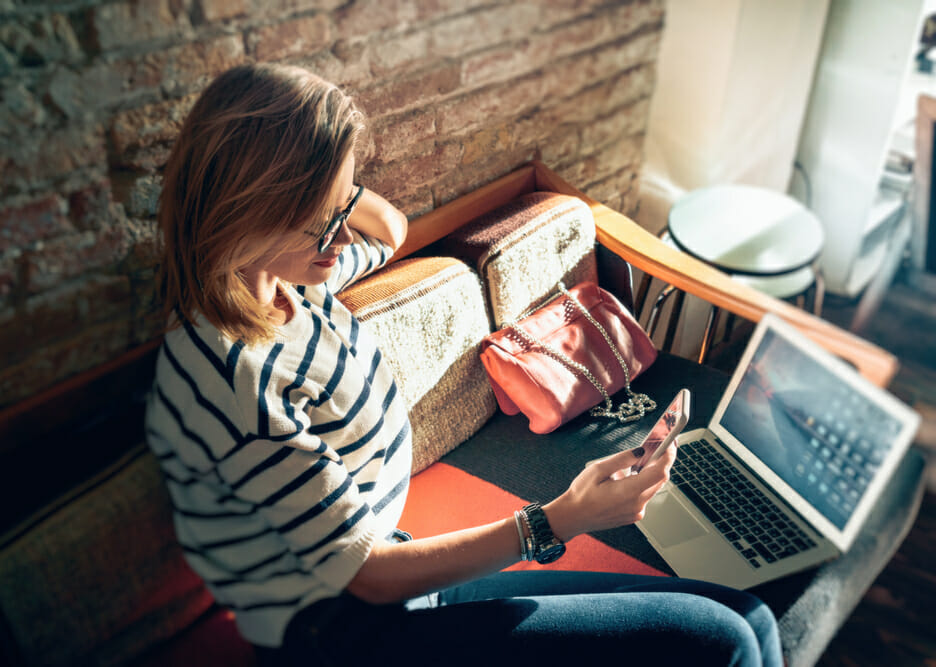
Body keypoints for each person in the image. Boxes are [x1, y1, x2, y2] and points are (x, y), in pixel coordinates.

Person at [146, 62, 784, 667]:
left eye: (338, 210)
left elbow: (389, 228)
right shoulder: (230, 377)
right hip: (341, 631)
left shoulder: (293, 281)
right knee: (723, 641)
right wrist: (564, 517)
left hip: (394, 574)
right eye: (319, 222)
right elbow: (364, 575)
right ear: (246, 214)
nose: (340, 239)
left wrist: (328, 187)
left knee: (752, 617)